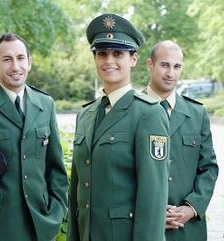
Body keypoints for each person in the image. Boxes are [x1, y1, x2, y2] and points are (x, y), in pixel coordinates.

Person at [67, 14, 170, 241]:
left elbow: (153, 197)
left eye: (118, 54)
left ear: (133, 59)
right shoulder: (85, 114)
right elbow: (76, 190)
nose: (109, 61)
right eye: (102, 54)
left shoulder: (149, 113)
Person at [0, 33, 68, 241]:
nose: (15, 66)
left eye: (21, 58)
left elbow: (56, 169)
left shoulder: (45, 104)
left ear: (30, 62)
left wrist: (56, 213)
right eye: (7, 59)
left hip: (40, 227)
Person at [145, 40, 219, 241]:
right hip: (144, 225)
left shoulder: (197, 113)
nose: (171, 73)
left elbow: (209, 168)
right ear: (150, 65)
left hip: (187, 228)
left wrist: (191, 207)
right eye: (164, 65)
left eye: (176, 66)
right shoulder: (132, 109)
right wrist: (151, 212)